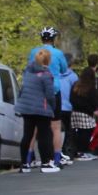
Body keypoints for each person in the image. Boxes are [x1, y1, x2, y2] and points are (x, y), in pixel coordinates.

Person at [29, 27, 75, 166]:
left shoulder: (33, 52)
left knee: (34, 126)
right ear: (53, 39)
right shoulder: (58, 53)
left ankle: (29, 158)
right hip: (53, 90)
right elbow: (63, 69)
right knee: (55, 126)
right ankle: (56, 158)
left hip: (37, 90)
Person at [17, 49, 59, 172]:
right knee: (44, 135)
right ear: (48, 60)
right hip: (42, 108)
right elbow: (50, 94)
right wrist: (53, 106)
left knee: (27, 135)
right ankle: (46, 163)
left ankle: (24, 164)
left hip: (26, 107)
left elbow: (23, 89)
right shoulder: (46, 74)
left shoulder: (28, 72)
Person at [69, 66, 98, 160]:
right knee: (86, 132)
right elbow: (93, 101)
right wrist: (93, 110)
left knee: (77, 131)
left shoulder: (76, 85)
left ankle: (76, 151)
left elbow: (71, 98)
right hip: (86, 112)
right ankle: (83, 151)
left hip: (75, 112)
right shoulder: (91, 87)